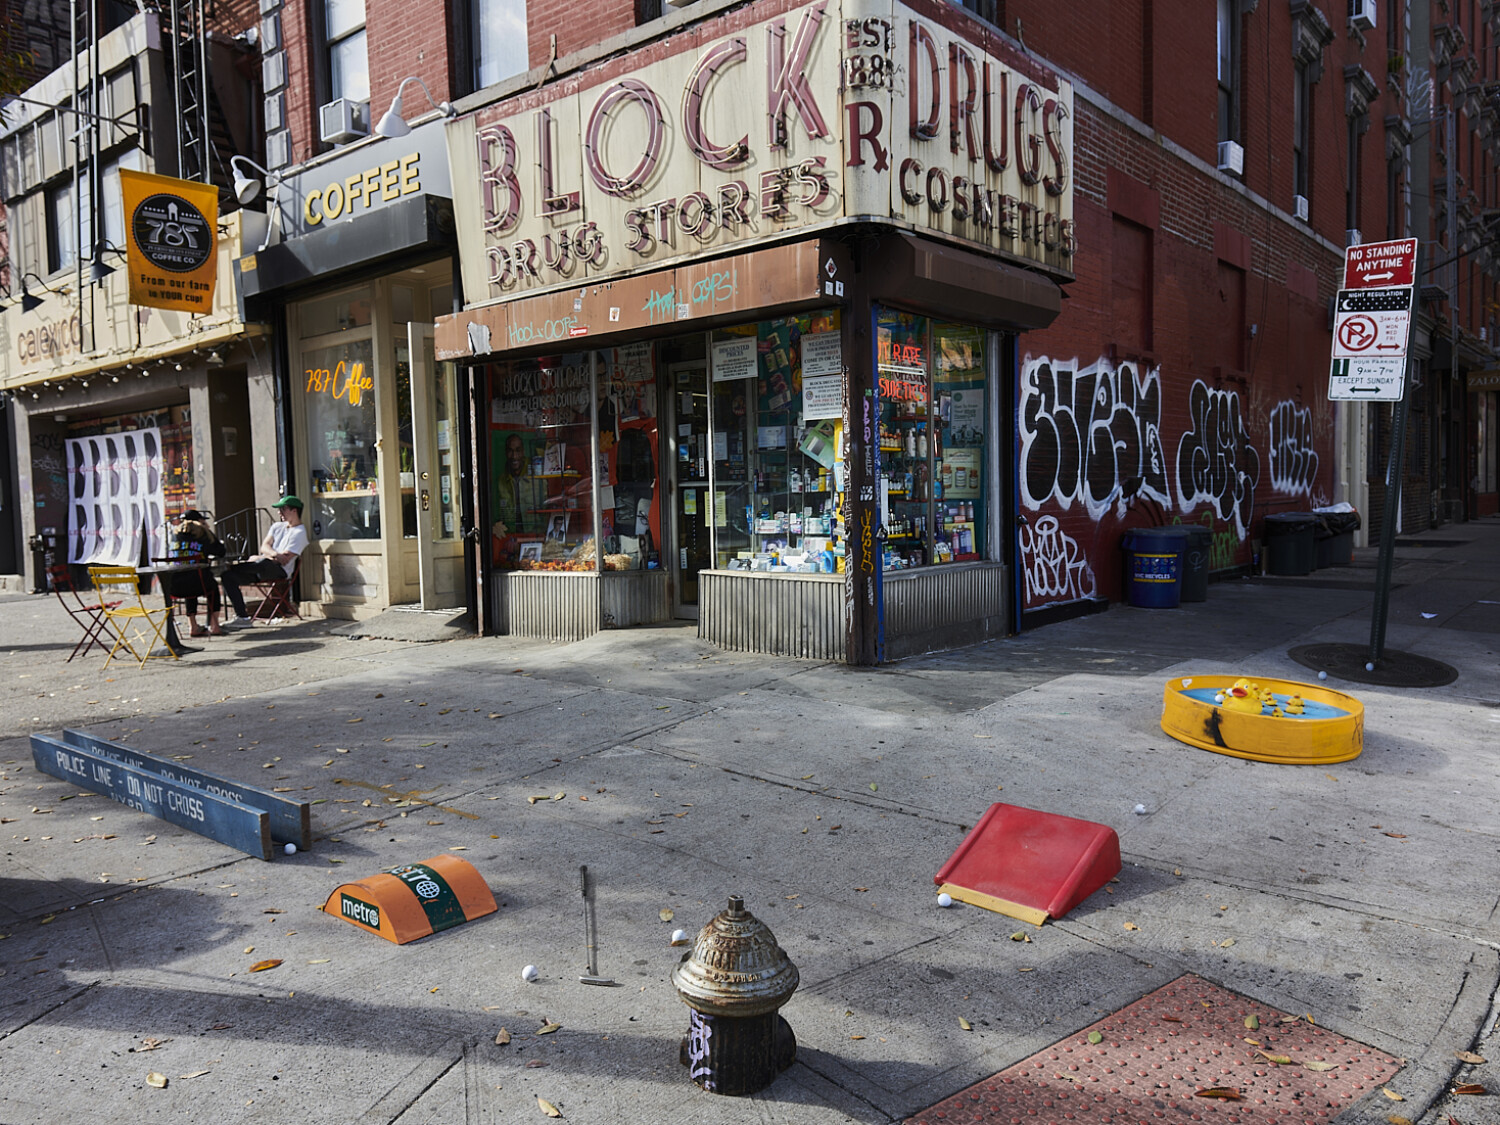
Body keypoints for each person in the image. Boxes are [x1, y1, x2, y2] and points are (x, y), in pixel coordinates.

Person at [220, 496, 308, 626]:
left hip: (279, 571)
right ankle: (242, 618)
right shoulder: (277, 526)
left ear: (294, 511)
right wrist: (273, 553)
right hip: (259, 569)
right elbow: (264, 546)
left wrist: (261, 557)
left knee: (262, 563)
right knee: (227, 577)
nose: (280, 513)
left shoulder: (300, 533)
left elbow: (282, 560)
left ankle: (234, 566)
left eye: (283, 509)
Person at [164, 509, 226, 636]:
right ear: (199, 521)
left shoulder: (174, 536)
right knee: (212, 587)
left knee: (189, 581)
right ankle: (215, 626)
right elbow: (221, 551)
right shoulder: (202, 533)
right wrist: (208, 531)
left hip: (174, 586)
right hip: (199, 584)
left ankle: (193, 626)